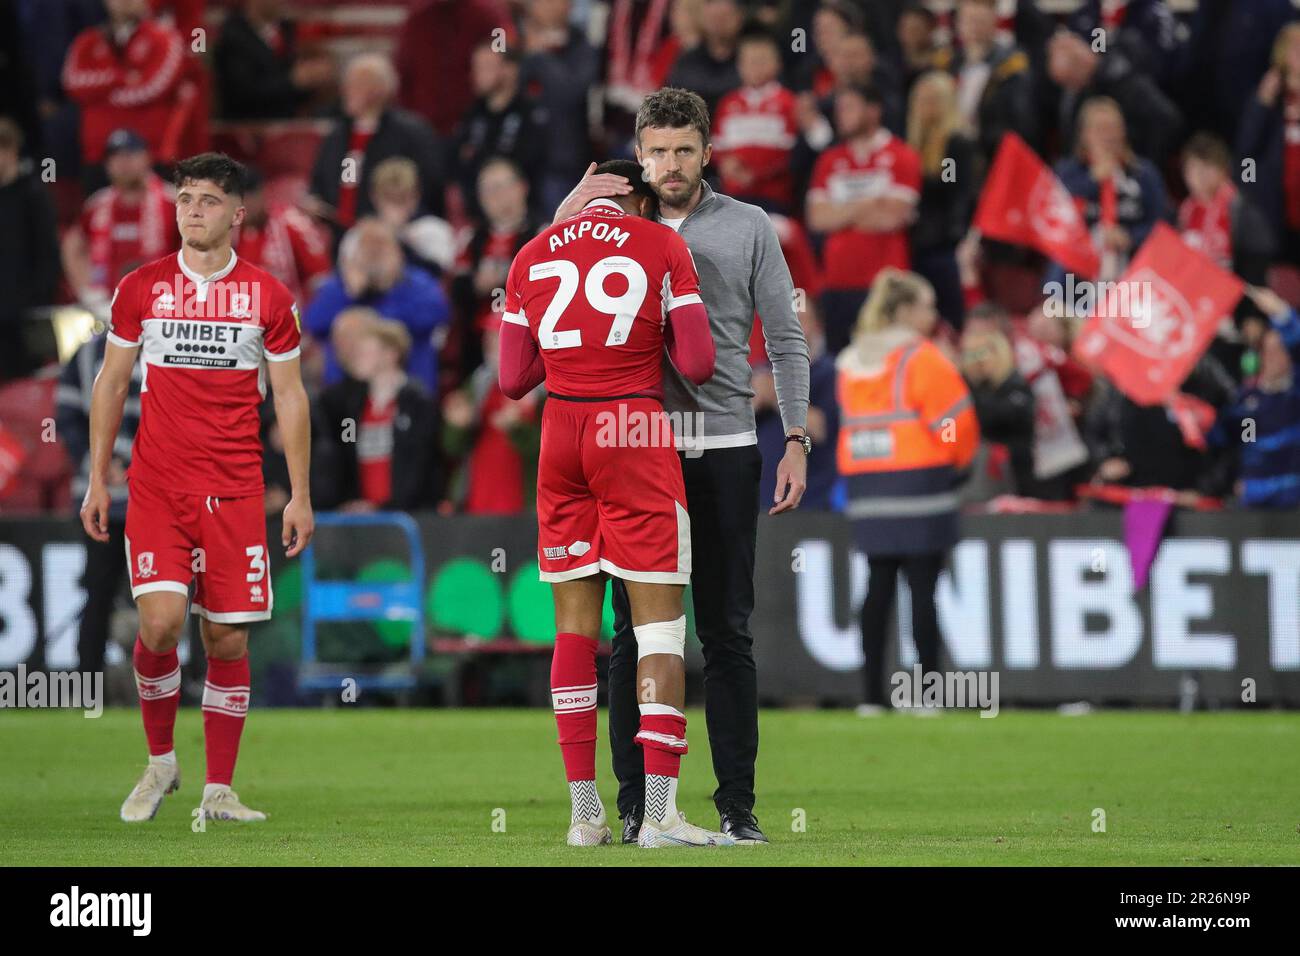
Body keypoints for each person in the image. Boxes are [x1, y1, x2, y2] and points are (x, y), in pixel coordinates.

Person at [554, 88, 810, 844]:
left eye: (684, 151)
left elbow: (785, 340)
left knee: (727, 633)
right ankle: (638, 806)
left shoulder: (748, 226)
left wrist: (795, 437)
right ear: (639, 155)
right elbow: (542, 278)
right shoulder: (606, 228)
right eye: (658, 152)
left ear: (708, 153)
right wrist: (570, 205)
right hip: (635, 450)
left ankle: (737, 807)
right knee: (633, 635)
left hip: (726, 445)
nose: (671, 165)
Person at [78, 152, 314, 823]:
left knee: (228, 641)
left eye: (207, 201)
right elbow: (112, 383)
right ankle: (159, 763)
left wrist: (299, 493)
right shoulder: (141, 288)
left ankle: (219, 787)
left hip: (237, 490)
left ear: (237, 214)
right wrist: (98, 478)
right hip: (157, 486)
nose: (192, 211)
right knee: (160, 621)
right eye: (184, 198)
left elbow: (290, 398)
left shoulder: (269, 297)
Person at [498, 159, 725, 847]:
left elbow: (512, 379)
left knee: (574, 631)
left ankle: (583, 815)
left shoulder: (532, 253)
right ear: (632, 197)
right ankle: (659, 815)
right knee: (659, 632)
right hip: (631, 427)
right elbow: (698, 363)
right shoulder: (661, 245)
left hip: (561, 433)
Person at [834, 270, 978, 714]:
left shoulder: (851, 361)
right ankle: (929, 694)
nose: (933, 315)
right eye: (928, 306)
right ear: (905, 311)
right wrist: (954, 460)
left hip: (867, 489)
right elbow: (955, 422)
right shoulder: (923, 358)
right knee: (922, 593)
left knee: (877, 591)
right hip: (921, 486)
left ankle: (872, 697)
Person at [807, 83, 921, 355]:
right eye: (839, 109)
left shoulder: (901, 155)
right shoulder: (829, 159)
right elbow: (817, 218)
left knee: (887, 358)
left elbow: (892, 217)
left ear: (873, 111)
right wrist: (870, 204)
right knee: (842, 363)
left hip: (886, 284)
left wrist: (841, 211)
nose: (840, 115)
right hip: (837, 283)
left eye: (849, 108)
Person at [57, 332, 143, 675]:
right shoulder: (85, 355)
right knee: (99, 593)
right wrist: (100, 463)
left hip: (153, 498)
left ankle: (170, 687)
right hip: (103, 499)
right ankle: (87, 682)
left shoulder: (165, 346)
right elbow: (67, 419)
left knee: (164, 599)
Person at [306, 53, 445, 243]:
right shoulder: (336, 136)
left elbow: (429, 188)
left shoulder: (412, 134)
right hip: (338, 236)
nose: (347, 90)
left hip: (394, 237)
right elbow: (318, 182)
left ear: (381, 89)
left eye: (358, 84)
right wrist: (314, 203)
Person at [312, 311, 442, 512]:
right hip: (365, 518)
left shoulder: (418, 402)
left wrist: (384, 507)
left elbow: (420, 467)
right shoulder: (354, 405)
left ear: (390, 354)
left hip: (407, 517)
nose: (355, 358)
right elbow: (348, 459)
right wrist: (353, 500)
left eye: (364, 351)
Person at [303, 218, 451, 394]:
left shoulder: (417, 282)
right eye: (368, 250)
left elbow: (438, 313)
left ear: (398, 253)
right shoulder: (340, 286)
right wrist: (351, 295)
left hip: (408, 391)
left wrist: (377, 303)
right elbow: (313, 322)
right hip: (347, 395)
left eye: (382, 249)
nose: (375, 258)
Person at [61, 129, 176, 312]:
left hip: (164, 307)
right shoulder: (97, 204)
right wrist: (87, 292)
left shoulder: (173, 202)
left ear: (147, 157)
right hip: (108, 309)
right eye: (115, 157)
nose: (123, 163)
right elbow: (72, 246)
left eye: (130, 155)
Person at [906, 70, 976, 329]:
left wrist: (956, 238)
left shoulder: (956, 143)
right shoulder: (912, 145)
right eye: (921, 99)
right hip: (917, 243)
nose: (925, 106)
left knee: (949, 314)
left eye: (933, 99)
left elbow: (956, 190)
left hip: (944, 244)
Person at [0, 116, 60, 381]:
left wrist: (36, 301)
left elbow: (48, 255)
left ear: (12, 151)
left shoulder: (33, 196)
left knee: (22, 385)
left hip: (23, 315)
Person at [213, 0, 335, 120]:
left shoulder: (286, 29)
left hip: (288, 123)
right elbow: (242, 93)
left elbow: (294, 86)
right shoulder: (232, 35)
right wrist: (292, 81)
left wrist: (311, 78)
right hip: (248, 127)